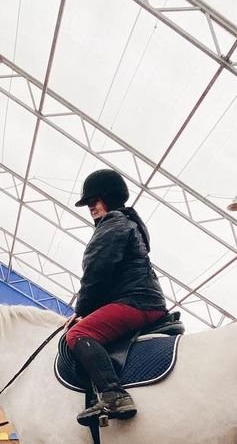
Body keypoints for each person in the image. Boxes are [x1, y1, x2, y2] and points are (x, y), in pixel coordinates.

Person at [67, 168, 169, 425]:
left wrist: (81, 313)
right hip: (143, 300)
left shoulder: (113, 224)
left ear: (109, 198)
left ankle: (114, 394)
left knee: (78, 334)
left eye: (94, 201)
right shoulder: (128, 223)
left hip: (135, 302)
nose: (90, 207)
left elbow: (96, 273)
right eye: (88, 204)